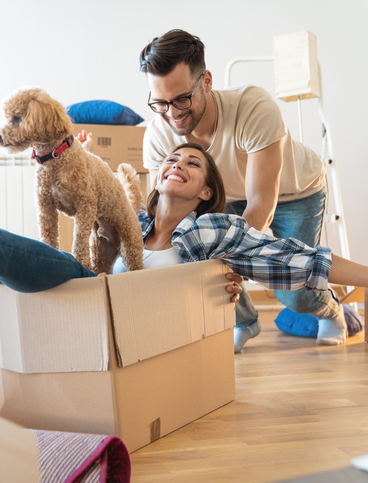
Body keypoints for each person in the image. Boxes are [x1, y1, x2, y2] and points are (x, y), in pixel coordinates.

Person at [0, 92, 368, 328]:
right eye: (172, 160)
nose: (177, 164)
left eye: (194, 165)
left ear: (207, 191)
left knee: (70, 273)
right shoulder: (131, 220)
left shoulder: (215, 232)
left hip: (133, 323)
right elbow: (85, 211)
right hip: (89, 307)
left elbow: (308, 260)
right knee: (61, 265)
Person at [139, 29, 334, 351]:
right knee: (200, 264)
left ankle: (332, 311)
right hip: (222, 197)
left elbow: (261, 201)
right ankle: (245, 321)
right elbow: (162, 211)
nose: (172, 114)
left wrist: (237, 261)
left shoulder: (252, 107)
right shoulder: (158, 134)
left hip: (293, 193)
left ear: (207, 81)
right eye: (160, 103)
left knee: (292, 289)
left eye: (182, 99)